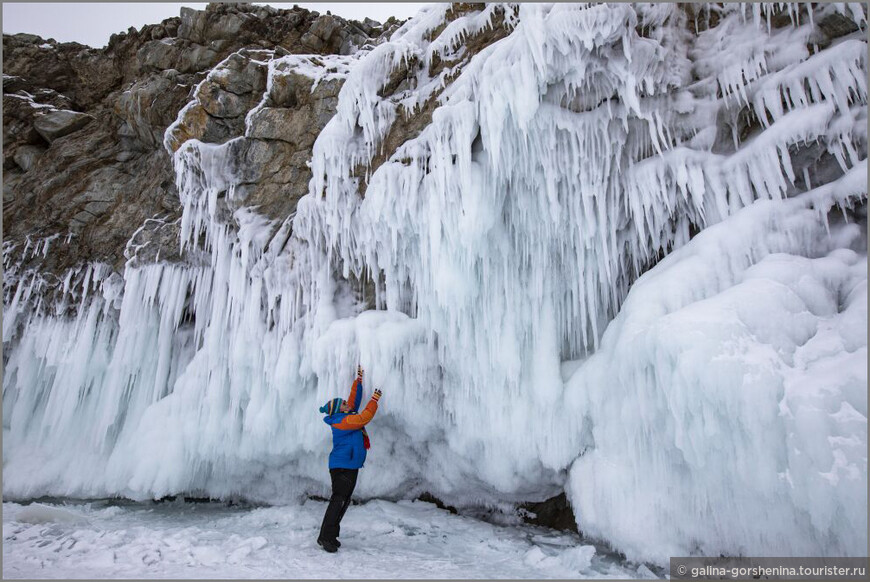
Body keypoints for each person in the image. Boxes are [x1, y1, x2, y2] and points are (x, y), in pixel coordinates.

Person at [317, 365, 382, 552]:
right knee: (338, 501)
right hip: (342, 467)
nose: (348, 404)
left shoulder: (344, 415)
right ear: (339, 410)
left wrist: (359, 380)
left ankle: (331, 536)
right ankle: (324, 537)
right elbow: (362, 419)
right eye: (344, 404)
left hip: (349, 465)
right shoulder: (341, 421)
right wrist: (374, 400)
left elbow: (353, 400)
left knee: (343, 501)